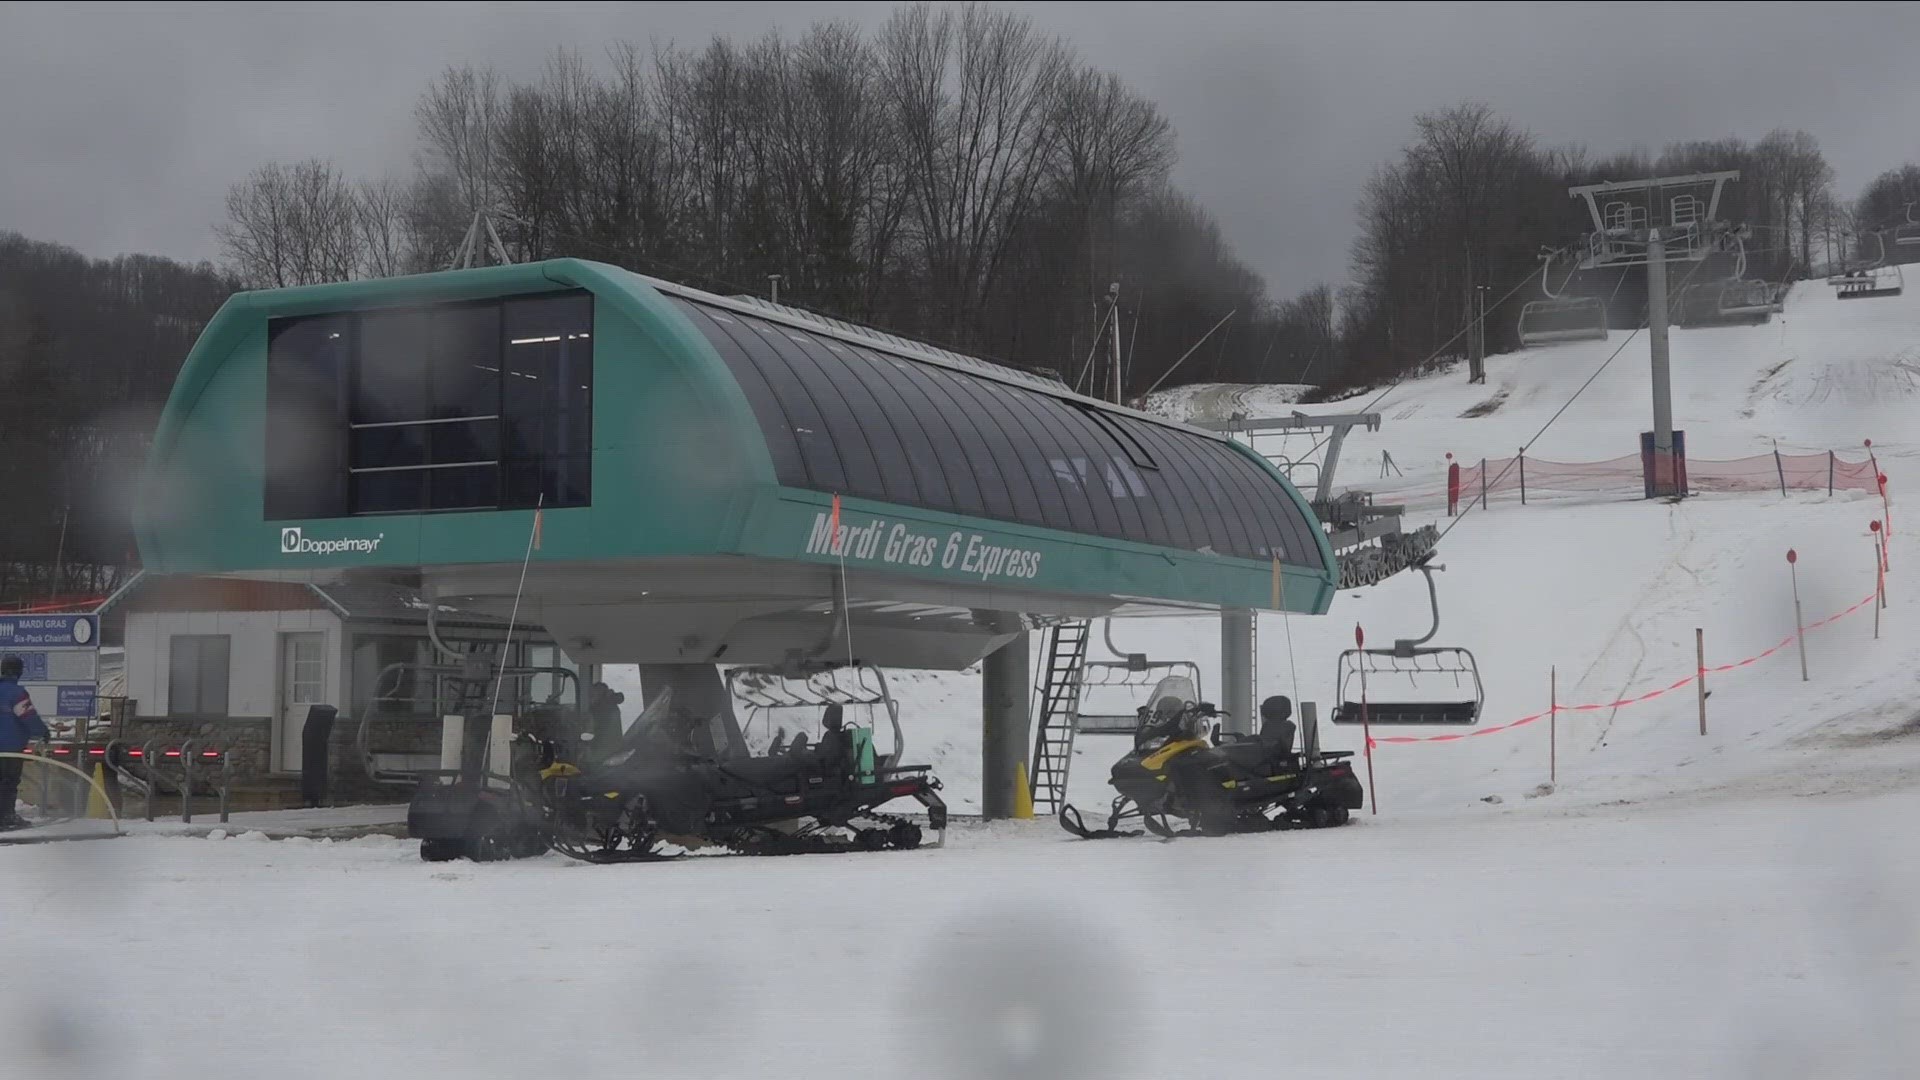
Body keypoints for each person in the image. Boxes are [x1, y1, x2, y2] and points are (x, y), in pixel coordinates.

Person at [0, 654, 51, 830]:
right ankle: (6, 817)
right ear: (19, 672)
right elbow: (28, 716)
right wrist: (42, 732)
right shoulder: (16, 693)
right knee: (8, 781)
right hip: (10, 748)